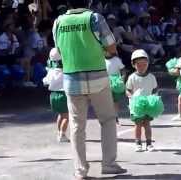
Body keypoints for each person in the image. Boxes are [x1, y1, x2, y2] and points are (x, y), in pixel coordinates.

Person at [52, 0, 127, 178]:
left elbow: (59, 51)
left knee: (77, 126)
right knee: (108, 120)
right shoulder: (95, 18)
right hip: (98, 78)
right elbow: (111, 46)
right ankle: (108, 164)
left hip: (71, 79)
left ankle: (80, 170)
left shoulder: (58, 22)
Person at [126, 49, 157, 152]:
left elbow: (155, 90)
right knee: (138, 124)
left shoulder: (151, 77)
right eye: (139, 64)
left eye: (144, 64)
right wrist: (131, 97)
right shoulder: (132, 77)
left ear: (148, 63)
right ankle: (138, 143)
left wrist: (153, 101)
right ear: (134, 65)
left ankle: (149, 143)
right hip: (136, 106)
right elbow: (128, 90)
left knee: (147, 124)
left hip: (147, 105)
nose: (142, 67)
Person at [43, 48, 69, 143]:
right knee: (66, 116)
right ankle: (62, 134)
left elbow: (45, 81)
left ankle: (59, 132)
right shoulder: (64, 71)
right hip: (63, 94)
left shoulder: (51, 71)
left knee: (60, 115)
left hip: (53, 94)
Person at [105, 53, 126, 125]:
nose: (106, 52)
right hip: (105, 82)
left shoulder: (117, 60)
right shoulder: (101, 60)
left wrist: (122, 78)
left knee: (115, 101)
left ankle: (115, 118)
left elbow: (123, 70)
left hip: (116, 83)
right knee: (106, 101)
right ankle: (107, 118)